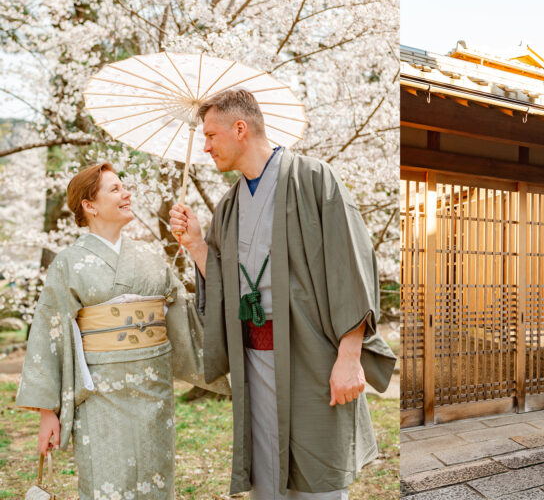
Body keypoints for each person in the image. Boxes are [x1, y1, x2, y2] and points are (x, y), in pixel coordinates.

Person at [169, 88, 396, 499]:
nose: (205, 147)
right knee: (266, 477)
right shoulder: (229, 205)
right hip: (254, 359)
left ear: (240, 129)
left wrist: (349, 358)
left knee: (318, 473)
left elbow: (351, 268)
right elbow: (226, 283)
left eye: (211, 135)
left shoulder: (314, 179)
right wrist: (198, 245)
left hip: (312, 356)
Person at [16, 163, 226, 499]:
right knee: (106, 485)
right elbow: (48, 333)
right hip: (100, 396)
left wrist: (196, 246)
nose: (127, 194)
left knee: (157, 482)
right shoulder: (69, 263)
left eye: (124, 186)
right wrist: (47, 413)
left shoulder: (150, 258)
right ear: (89, 205)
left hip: (154, 390)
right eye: (115, 189)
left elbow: (188, 314)